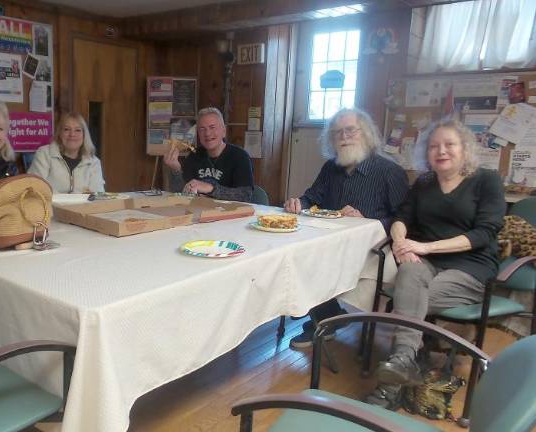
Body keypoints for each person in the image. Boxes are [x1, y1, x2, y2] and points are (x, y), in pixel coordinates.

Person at [365, 119, 505, 409]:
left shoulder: (487, 180)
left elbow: (484, 233)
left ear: (464, 149)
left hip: (471, 267)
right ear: (426, 153)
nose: (441, 151)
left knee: (409, 294)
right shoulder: (424, 183)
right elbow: (401, 218)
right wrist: (401, 243)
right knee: (410, 273)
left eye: (449, 144)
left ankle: (390, 385)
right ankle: (405, 360)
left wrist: (425, 246)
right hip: (424, 263)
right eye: (433, 146)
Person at [284, 108, 409, 348]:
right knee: (300, 252)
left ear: (367, 134)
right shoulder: (331, 167)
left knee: (312, 261)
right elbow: (313, 196)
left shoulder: (389, 171)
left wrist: (369, 222)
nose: (344, 137)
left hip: (371, 250)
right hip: (332, 242)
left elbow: (404, 218)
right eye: (337, 132)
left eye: (350, 130)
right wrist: (299, 202)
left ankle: (324, 317)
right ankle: (327, 317)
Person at [164, 107, 254, 202]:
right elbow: (181, 192)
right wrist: (176, 169)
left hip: (231, 214)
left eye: (212, 127)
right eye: (202, 129)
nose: (207, 133)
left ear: (224, 131)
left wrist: (211, 189)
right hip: (200, 211)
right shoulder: (194, 155)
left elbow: (245, 195)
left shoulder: (240, 156)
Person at [28, 112, 105, 193]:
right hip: (49, 205)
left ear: (84, 135)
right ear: (60, 134)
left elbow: (98, 194)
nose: (72, 134)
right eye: (66, 129)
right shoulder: (44, 154)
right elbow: (34, 186)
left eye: (78, 130)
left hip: (82, 205)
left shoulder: (93, 162)